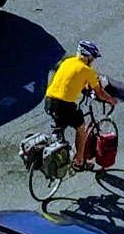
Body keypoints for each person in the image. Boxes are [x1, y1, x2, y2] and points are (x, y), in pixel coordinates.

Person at [44, 40, 116, 169]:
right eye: (92, 58)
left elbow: (69, 80)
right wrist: (111, 100)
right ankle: (79, 161)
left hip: (49, 101)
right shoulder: (87, 70)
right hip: (64, 105)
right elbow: (99, 92)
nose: (93, 61)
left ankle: (57, 148)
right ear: (87, 57)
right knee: (80, 128)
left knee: (61, 124)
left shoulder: (66, 62)